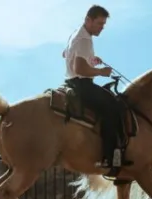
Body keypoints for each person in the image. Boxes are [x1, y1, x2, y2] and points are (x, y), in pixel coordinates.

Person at [62, 5, 123, 168]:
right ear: (88, 20)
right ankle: (108, 158)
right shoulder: (85, 39)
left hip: (71, 83)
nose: (101, 28)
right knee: (113, 107)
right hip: (82, 86)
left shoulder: (76, 34)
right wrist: (101, 72)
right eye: (99, 24)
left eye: (103, 25)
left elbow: (66, 54)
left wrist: (90, 59)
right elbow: (80, 69)